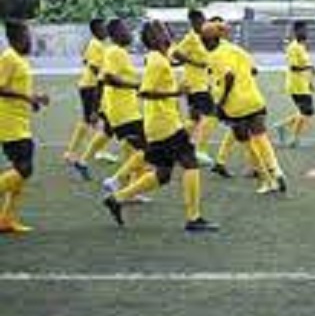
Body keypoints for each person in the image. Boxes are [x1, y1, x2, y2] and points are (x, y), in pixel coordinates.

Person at [102, 21, 218, 232]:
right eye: (163, 31)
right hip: (165, 124)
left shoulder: (158, 58)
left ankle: (117, 198)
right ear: (156, 37)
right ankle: (194, 218)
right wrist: (176, 93)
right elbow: (145, 92)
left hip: (159, 123)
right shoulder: (157, 61)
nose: (168, 33)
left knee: (163, 174)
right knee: (190, 163)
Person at [203, 21, 287, 195]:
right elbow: (254, 70)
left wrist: (220, 103)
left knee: (247, 142)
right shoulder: (236, 49)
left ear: (208, 39)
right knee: (261, 136)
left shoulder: (214, 55)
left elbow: (228, 76)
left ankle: (267, 180)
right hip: (253, 98)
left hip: (235, 105)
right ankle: (276, 169)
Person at [73, 20, 148, 202]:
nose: (129, 33)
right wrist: (136, 85)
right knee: (148, 149)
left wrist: (97, 107)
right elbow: (107, 77)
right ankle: (116, 181)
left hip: (124, 110)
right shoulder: (114, 52)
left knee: (131, 148)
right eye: (125, 30)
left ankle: (131, 190)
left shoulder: (118, 52)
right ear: (115, 34)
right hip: (123, 113)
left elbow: (101, 79)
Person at [0, 21, 49, 234]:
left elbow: (18, 89)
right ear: (16, 37)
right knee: (24, 168)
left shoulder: (20, 59)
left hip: (20, 120)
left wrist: (33, 100)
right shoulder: (8, 57)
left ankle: (6, 219)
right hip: (8, 121)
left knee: (22, 169)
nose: (30, 40)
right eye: (27, 35)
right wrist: (27, 97)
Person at [172, 9, 215, 165]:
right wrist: (194, 62)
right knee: (211, 114)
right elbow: (175, 53)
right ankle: (199, 150)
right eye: (201, 21)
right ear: (193, 22)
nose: (204, 23)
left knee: (194, 118)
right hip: (195, 84)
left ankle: (177, 146)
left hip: (203, 82)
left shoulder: (203, 37)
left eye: (205, 20)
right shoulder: (190, 38)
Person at [64, 18, 107, 164]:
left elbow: (85, 60)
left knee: (98, 118)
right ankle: (70, 152)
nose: (105, 30)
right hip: (90, 86)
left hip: (89, 85)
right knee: (89, 119)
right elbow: (94, 67)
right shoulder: (96, 45)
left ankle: (97, 151)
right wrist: (104, 78)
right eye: (103, 28)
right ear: (96, 31)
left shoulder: (95, 44)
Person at [274, 21, 315, 148]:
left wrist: (309, 81)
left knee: (306, 112)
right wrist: (310, 67)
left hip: (302, 85)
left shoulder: (302, 46)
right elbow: (294, 67)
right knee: (306, 112)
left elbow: (304, 65)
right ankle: (294, 139)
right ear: (296, 32)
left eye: (306, 30)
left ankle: (282, 126)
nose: (305, 32)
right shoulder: (293, 47)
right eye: (302, 30)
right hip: (296, 86)